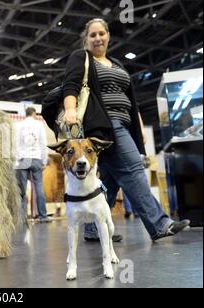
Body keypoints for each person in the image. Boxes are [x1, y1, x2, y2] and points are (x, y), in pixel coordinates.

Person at [61, 18, 189, 242]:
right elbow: (71, 84)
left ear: (108, 35)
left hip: (124, 124)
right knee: (133, 169)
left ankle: (92, 230)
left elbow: (130, 98)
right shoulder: (81, 57)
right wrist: (70, 109)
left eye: (102, 33)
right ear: (86, 38)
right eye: (92, 35)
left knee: (112, 178)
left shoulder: (117, 63)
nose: (98, 38)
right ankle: (159, 224)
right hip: (103, 124)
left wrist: (138, 127)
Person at [15, 107, 53, 223]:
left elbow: (15, 143)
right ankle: (43, 216)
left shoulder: (18, 125)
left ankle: (22, 218)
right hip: (36, 158)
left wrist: (17, 161)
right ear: (34, 114)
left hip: (23, 159)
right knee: (39, 187)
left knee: (21, 190)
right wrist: (44, 160)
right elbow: (43, 143)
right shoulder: (39, 124)